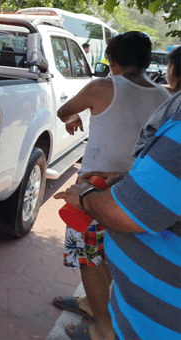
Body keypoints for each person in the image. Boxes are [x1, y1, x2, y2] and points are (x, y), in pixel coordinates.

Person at [54, 31, 170, 340]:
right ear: (147, 61)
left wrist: (72, 118)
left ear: (111, 59)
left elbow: (63, 111)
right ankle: (93, 306)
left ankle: (102, 327)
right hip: (134, 196)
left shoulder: (103, 86)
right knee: (116, 255)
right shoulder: (166, 98)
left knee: (88, 259)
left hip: (91, 191)